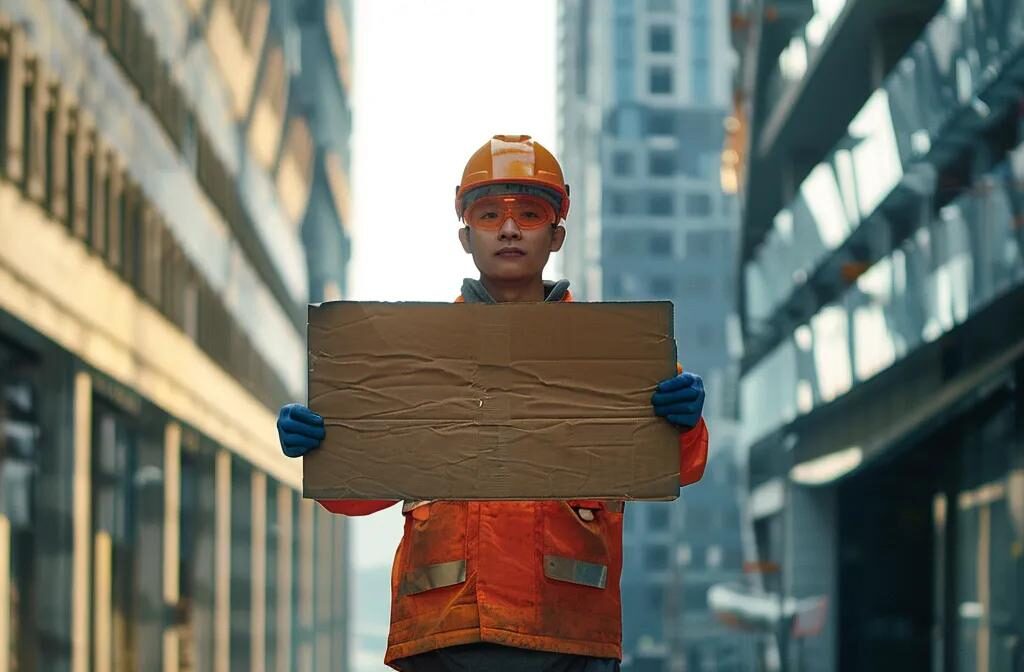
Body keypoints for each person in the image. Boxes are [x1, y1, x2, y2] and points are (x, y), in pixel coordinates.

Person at [277, 135, 709, 671]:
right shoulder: (415, 353)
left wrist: (685, 423)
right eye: (489, 214)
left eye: (528, 214)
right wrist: (322, 443)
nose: (508, 228)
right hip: (446, 635)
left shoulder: (612, 354)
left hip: (566, 639)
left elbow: (683, 467)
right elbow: (357, 496)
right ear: (465, 235)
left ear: (557, 234)